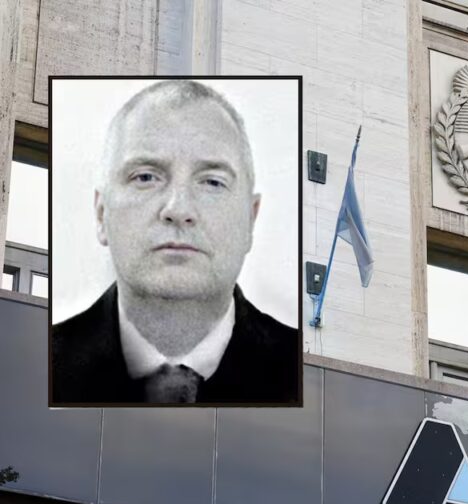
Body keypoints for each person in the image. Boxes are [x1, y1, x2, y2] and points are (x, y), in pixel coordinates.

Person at [52, 80, 299, 405]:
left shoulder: (301, 374)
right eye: (146, 177)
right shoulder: (36, 367)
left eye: (212, 182)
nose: (179, 209)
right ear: (101, 214)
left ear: (251, 219)